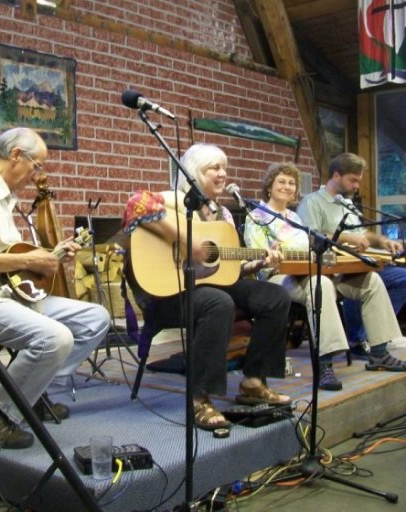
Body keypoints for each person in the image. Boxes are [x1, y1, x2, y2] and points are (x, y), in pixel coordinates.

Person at [0, 127, 111, 449]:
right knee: (56, 337)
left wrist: (49, 256)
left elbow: (11, 261)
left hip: (11, 297)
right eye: (37, 165)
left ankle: (27, 389)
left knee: (96, 318)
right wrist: (32, 259)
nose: (37, 176)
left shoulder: (5, 198)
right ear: (16, 155)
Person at [122, 143, 292, 431]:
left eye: (223, 167)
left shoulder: (223, 215)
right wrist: (188, 241)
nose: (222, 173)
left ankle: (253, 381)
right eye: (213, 167)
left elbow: (227, 268)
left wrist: (259, 263)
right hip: (167, 295)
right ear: (192, 172)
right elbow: (134, 204)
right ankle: (200, 398)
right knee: (218, 302)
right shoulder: (175, 200)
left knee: (274, 296)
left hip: (207, 288)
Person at [244, 162, 405, 391]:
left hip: (310, 272)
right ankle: (325, 364)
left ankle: (379, 353)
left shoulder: (293, 217)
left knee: (371, 281)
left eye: (292, 183)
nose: (287, 187)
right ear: (269, 186)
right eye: (281, 181)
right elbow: (262, 262)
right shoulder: (256, 217)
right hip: (278, 278)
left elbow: (310, 249)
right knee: (321, 285)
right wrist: (272, 253)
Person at [297, 152, 406, 368]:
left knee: (394, 278)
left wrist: (382, 241)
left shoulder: (345, 203)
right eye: (352, 180)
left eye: (358, 180)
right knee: (366, 276)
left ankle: (378, 349)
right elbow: (309, 238)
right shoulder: (313, 202)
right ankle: (356, 338)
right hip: (330, 269)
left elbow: (363, 236)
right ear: (336, 176)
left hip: (356, 265)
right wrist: (347, 237)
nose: (357, 185)